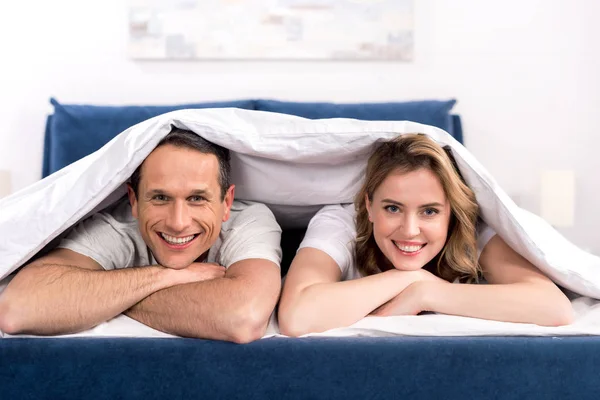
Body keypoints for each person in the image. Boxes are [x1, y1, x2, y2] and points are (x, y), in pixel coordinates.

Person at [0, 128, 282, 343]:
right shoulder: (116, 226)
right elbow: (16, 308)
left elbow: (243, 318)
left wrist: (101, 298)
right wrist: (166, 276)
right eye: (160, 197)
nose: (178, 223)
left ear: (226, 202)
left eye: (197, 198)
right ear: (133, 200)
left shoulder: (249, 219)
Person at [278, 134, 574, 336]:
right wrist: (409, 278)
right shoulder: (339, 222)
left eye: (429, 211)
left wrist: (427, 293)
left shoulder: (473, 231)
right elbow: (297, 316)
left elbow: (554, 307)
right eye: (393, 208)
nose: (409, 230)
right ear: (369, 206)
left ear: (451, 212)